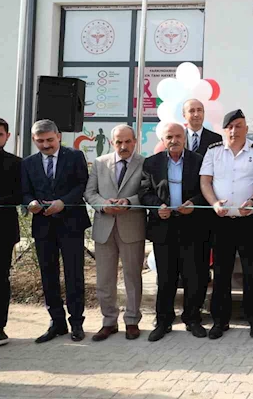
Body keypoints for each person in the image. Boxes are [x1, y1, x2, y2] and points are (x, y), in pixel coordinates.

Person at [201, 109, 253, 340]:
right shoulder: (213, 151)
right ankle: (220, 321)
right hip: (221, 221)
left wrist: (252, 201)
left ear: (246, 128)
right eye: (230, 127)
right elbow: (205, 181)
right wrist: (214, 203)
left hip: (249, 221)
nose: (234, 130)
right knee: (222, 273)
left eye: (239, 126)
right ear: (224, 130)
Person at [22, 119, 90, 343]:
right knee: (48, 275)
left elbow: (82, 185)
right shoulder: (28, 163)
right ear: (34, 140)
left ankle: (77, 322)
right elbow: (25, 192)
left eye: (50, 140)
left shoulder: (75, 156)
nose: (45, 145)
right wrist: (30, 203)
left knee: (74, 274)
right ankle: (57, 322)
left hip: (71, 223)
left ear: (58, 136)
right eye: (40, 141)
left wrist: (63, 202)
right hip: (43, 225)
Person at [139, 122, 207, 341]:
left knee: (193, 276)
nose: (174, 140)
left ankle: (192, 318)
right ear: (163, 140)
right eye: (169, 137)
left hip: (192, 226)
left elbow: (207, 190)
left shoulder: (199, 160)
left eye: (178, 136)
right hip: (164, 226)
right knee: (166, 277)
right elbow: (144, 192)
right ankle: (164, 320)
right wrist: (157, 208)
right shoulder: (151, 163)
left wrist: (194, 203)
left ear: (184, 138)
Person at [83, 125, 145, 342]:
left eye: (127, 141)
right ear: (112, 143)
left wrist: (129, 202)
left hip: (132, 227)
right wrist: (103, 205)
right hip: (104, 227)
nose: (123, 146)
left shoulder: (144, 163)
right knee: (104, 278)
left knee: (132, 277)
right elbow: (89, 192)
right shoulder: (100, 163)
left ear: (135, 141)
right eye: (119, 142)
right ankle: (109, 321)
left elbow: (147, 192)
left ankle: (132, 321)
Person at [181, 98, 222, 312]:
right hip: (178, 210)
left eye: (200, 110)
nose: (196, 114)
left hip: (204, 209)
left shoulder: (215, 139)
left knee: (201, 263)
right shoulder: (176, 136)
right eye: (192, 111)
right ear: (184, 115)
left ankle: (197, 309)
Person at [0, 118, 21, 347]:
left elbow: (21, 195)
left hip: (2, 231)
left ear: (7, 136)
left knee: (0, 280)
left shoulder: (16, 163)